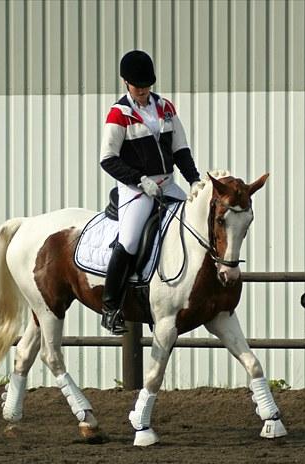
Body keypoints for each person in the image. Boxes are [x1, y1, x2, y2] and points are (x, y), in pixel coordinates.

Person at [98, 50, 201, 335]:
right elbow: (108, 159)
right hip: (136, 189)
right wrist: (139, 180)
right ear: (125, 83)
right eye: (136, 86)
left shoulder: (165, 107)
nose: (142, 91)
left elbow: (180, 148)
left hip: (167, 183)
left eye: (146, 85)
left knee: (194, 224)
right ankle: (111, 307)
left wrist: (194, 180)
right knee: (130, 240)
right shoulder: (119, 114)